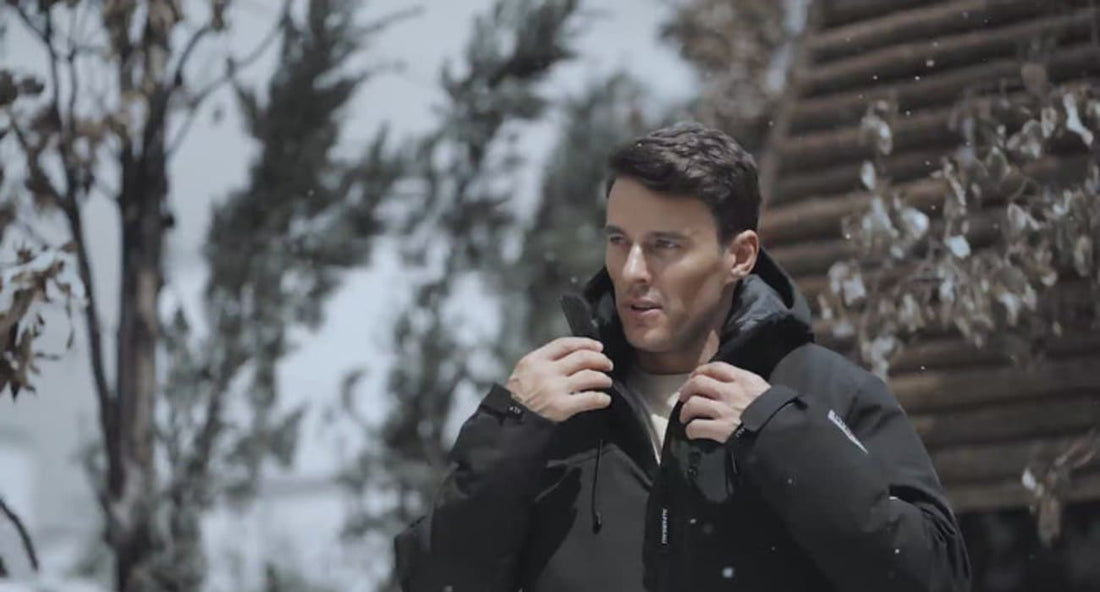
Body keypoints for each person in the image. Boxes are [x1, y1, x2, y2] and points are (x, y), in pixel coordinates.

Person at [394, 122, 971, 591]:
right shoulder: (551, 412)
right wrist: (510, 427)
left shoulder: (827, 394)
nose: (632, 271)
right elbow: (437, 582)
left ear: (739, 256)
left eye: (664, 245)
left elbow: (934, 577)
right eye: (618, 241)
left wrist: (781, 435)